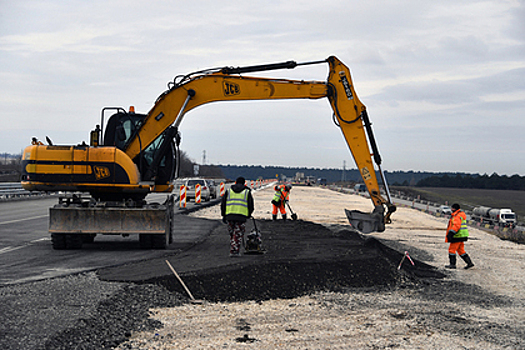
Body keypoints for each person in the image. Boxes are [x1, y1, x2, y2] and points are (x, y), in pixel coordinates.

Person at [221, 177, 254, 257]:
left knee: (233, 234)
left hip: (229, 216)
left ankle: (234, 248)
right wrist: (248, 215)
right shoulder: (247, 192)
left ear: (235, 182)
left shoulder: (229, 191)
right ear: (244, 183)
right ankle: (234, 251)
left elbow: (223, 204)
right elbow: (251, 205)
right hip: (241, 217)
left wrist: (223, 215)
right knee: (237, 234)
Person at [445, 203, 474, 269]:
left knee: (452, 250)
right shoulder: (461, 215)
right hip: (462, 235)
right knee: (461, 250)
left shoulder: (457, 216)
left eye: (452, 208)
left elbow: (456, 226)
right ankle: (469, 263)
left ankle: (452, 264)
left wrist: (451, 233)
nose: (451, 209)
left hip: (457, 236)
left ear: (454, 208)